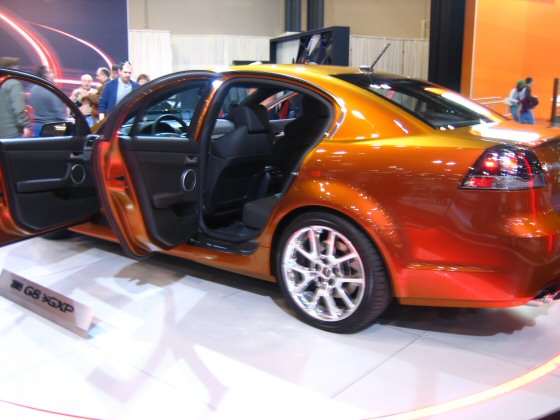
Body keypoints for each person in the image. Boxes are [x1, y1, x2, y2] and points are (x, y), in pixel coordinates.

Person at [28, 65, 67, 136]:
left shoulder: (32, 89)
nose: (54, 75)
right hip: (50, 129)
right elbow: (59, 114)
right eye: (51, 72)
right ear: (46, 75)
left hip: (34, 128)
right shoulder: (53, 91)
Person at [0, 57, 32, 138]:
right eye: (16, 66)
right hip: (11, 132)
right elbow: (18, 108)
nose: (18, 69)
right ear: (10, 68)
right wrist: (25, 125)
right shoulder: (14, 84)